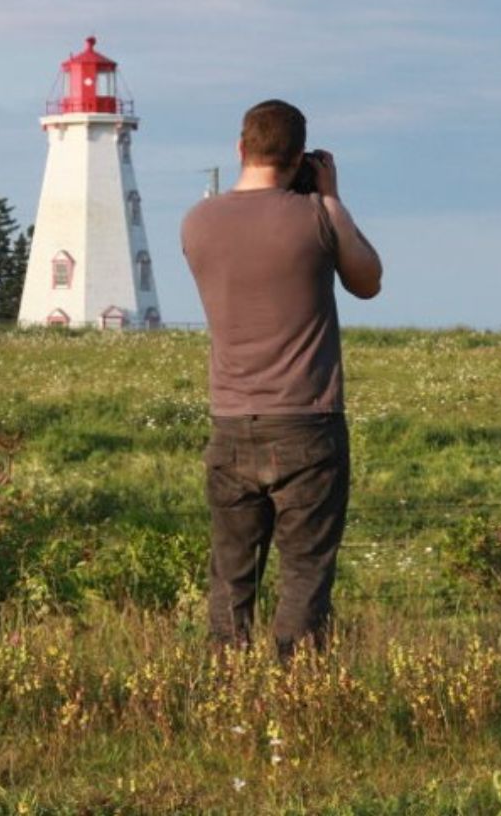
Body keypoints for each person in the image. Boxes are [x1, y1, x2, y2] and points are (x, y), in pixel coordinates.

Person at [181, 99, 382, 660]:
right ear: (300, 158)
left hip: (230, 421)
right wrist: (332, 197)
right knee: (305, 571)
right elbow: (368, 281)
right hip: (307, 421)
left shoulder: (197, 222)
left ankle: (226, 682)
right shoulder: (318, 216)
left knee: (230, 575)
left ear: (240, 148)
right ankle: (296, 686)